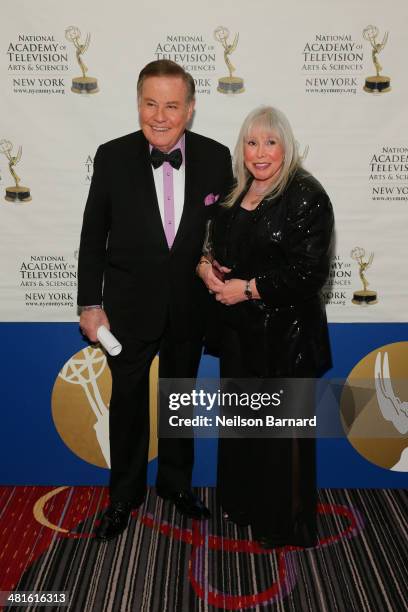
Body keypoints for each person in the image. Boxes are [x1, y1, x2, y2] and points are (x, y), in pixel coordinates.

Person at [77, 59, 233, 541]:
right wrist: (89, 304)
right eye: (150, 104)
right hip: (126, 307)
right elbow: (92, 235)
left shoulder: (215, 156)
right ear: (138, 104)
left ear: (189, 108)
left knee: (180, 399)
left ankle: (175, 486)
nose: (160, 116)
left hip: (189, 306)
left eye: (171, 105)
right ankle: (123, 496)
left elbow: (222, 234)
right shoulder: (112, 156)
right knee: (126, 405)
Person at [197, 106, 334, 548]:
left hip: (286, 338)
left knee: (282, 437)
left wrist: (249, 289)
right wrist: (205, 268)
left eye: (270, 142)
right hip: (241, 337)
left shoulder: (306, 195)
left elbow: (310, 273)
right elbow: (212, 247)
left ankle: (286, 525)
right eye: (251, 142)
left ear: (286, 147)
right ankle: (246, 507)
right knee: (244, 428)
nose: (260, 152)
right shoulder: (236, 193)